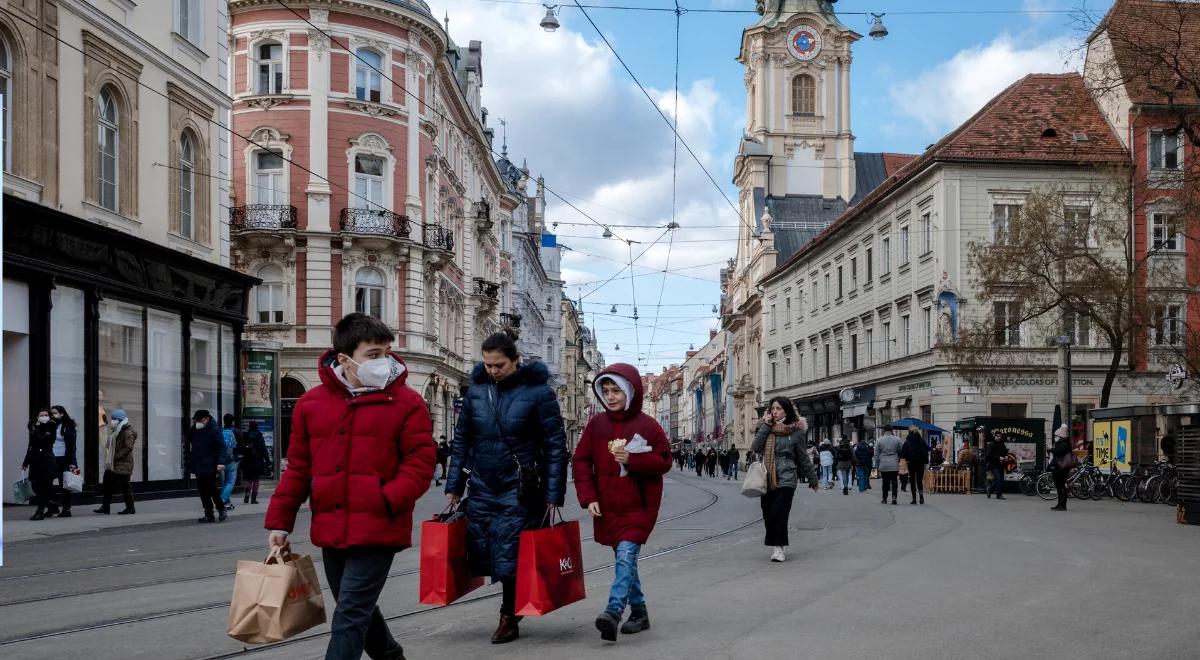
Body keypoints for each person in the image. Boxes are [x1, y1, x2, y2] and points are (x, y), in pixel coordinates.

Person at [266, 312, 435, 660]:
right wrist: (280, 523)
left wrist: (387, 499)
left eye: (386, 352)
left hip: (378, 525)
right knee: (356, 606)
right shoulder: (311, 404)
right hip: (331, 525)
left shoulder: (407, 402)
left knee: (349, 615)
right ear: (344, 359)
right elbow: (298, 467)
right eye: (373, 355)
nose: (383, 362)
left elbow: (420, 462)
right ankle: (391, 655)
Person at [445, 330, 568, 645]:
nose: (493, 371)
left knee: (509, 551)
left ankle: (508, 615)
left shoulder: (539, 394)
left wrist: (554, 495)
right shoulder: (475, 393)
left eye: (499, 365)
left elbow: (555, 445)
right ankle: (511, 609)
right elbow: (462, 441)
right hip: (483, 483)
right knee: (484, 548)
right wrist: (454, 485)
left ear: (516, 360)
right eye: (487, 365)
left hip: (520, 487)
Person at [573, 364, 671, 642]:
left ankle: (613, 611)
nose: (611, 396)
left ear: (630, 391)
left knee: (626, 555)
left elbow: (664, 461)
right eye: (606, 391)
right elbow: (580, 460)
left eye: (616, 390)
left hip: (639, 505)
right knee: (624, 559)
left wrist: (634, 460)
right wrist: (588, 497)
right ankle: (639, 612)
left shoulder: (648, 426)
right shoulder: (596, 425)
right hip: (607, 504)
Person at [751, 397, 818, 562]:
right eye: (773, 408)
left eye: (779, 408)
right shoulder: (764, 427)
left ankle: (779, 548)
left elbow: (803, 457)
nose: (775, 411)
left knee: (779, 513)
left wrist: (813, 478)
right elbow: (755, 447)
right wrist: (766, 425)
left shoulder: (796, 432)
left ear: (786, 411)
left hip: (787, 477)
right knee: (768, 514)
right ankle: (776, 542)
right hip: (766, 476)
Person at [94, 409, 137, 515]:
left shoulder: (127, 431)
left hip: (122, 463)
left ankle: (130, 508)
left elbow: (128, 447)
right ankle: (106, 507)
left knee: (125, 486)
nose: (112, 421)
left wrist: (115, 457)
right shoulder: (117, 430)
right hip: (115, 463)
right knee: (108, 484)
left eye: (114, 419)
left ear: (120, 419)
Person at [190, 409, 229, 523]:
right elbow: (189, 437)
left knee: (211, 489)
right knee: (202, 490)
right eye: (196, 420)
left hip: (210, 464)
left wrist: (221, 463)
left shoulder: (215, 430)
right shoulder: (196, 430)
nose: (197, 422)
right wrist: (194, 427)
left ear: (206, 419)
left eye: (199, 420)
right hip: (199, 464)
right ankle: (208, 514)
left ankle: (221, 508)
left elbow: (222, 447)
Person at [23, 409, 59, 521]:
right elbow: (31, 445)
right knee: (36, 486)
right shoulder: (33, 428)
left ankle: (40, 511)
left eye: (46, 415)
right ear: (37, 417)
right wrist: (26, 461)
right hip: (35, 460)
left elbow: (43, 441)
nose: (44, 417)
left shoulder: (51, 427)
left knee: (45, 485)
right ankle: (51, 503)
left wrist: (37, 429)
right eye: (42, 415)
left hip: (47, 459)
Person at [48, 406, 79, 517]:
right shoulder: (51, 426)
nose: (52, 415)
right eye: (51, 413)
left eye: (55, 413)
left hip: (64, 459)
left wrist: (72, 462)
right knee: (46, 483)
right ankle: (52, 505)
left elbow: (71, 446)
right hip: (51, 458)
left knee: (64, 485)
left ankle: (66, 509)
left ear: (62, 414)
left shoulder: (68, 427)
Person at [240, 420, 269, 504]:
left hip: (247, 460)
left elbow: (242, 448)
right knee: (256, 480)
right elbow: (264, 449)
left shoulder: (245, 435)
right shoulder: (259, 436)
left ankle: (247, 494)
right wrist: (268, 461)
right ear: (257, 426)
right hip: (257, 461)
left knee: (248, 479)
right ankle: (253, 499)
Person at [220, 414, 244, 511]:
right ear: (233, 421)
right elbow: (241, 446)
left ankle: (227, 503)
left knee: (224, 482)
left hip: (221, 460)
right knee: (230, 482)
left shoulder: (220, 431)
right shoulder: (237, 432)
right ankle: (222, 500)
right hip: (233, 460)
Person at [874, 429, 902, 505]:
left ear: (884, 431)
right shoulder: (897, 439)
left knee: (885, 482)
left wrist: (876, 465)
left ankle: (884, 498)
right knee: (894, 481)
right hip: (894, 463)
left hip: (883, 464)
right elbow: (900, 451)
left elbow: (876, 454)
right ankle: (894, 497)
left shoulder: (879, 440)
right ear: (892, 430)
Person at [901, 426, 928, 505]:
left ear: (909, 432)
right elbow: (926, 451)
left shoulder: (907, 442)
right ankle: (921, 497)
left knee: (912, 481)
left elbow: (903, 454)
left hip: (911, 463)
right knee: (919, 481)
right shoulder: (922, 441)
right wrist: (925, 461)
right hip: (920, 463)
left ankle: (914, 499)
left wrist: (906, 457)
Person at [1050, 424, 1073, 511]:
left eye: (1056, 436)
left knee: (1060, 486)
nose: (1055, 437)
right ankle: (1060, 504)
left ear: (1060, 436)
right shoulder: (1065, 443)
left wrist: (1051, 449)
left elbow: (1059, 452)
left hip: (1061, 468)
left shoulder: (1063, 444)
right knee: (1060, 486)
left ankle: (1062, 505)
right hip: (1062, 467)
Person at [985, 430, 1009, 500]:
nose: (998, 438)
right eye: (997, 436)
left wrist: (1006, 456)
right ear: (994, 436)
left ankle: (990, 490)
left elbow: (1005, 451)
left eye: (1000, 436)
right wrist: (998, 457)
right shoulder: (991, 444)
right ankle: (999, 495)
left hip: (1001, 465)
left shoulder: (1002, 444)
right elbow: (988, 455)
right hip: (993, 465)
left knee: (1000, 480)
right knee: (998, 479)